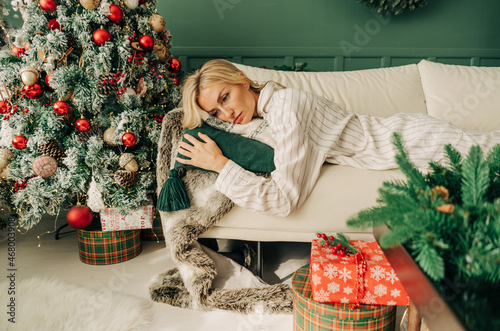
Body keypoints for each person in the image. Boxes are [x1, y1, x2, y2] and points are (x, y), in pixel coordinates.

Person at [176, 59, 500, 217]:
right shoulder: (270, 112)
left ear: (243, 81)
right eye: (215, 113)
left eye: (225, 97)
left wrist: (221, 165)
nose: (226, 113)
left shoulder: (287, 108)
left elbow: (283, 199)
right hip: (406, 136)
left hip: (414, 140)